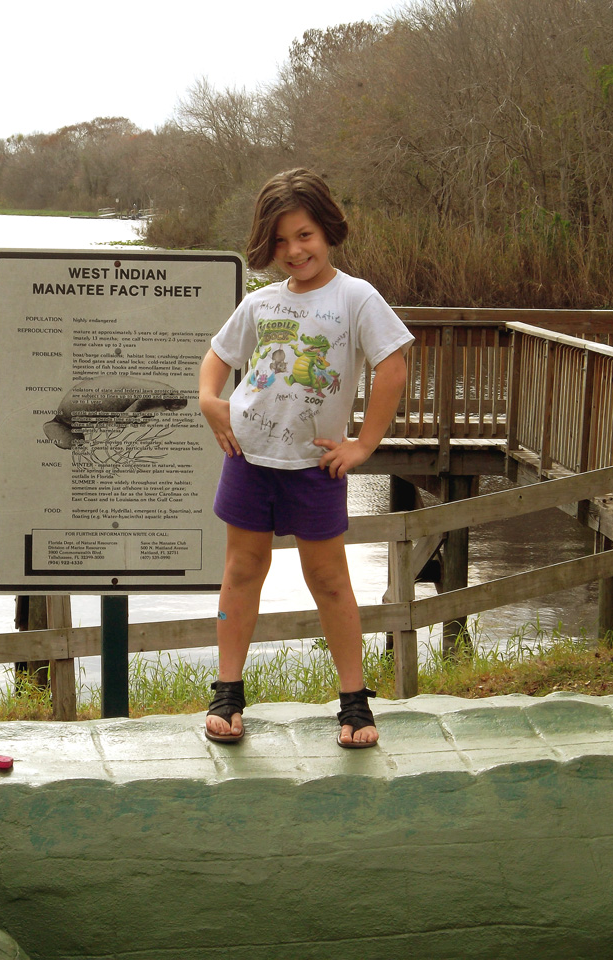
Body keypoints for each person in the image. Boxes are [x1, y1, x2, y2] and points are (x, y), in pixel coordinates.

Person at [197, 168, 413, 749]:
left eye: (306, 235)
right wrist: (210, 401)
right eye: (282, 240)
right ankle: (228, 693)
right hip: (247, 456)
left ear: (328, 231)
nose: (295, 251)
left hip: (316, 466)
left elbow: (393, 365)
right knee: (242, 572)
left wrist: (363, 443)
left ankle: (354, 703)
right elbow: (217, 358)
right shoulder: (260, 302)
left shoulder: (356, 296)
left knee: (329, 580)